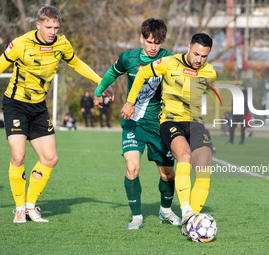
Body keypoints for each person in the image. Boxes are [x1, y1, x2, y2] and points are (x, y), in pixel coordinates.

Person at [0, 6, 102, 223]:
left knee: (50, 158)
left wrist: (101, 82)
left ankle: (30, 206)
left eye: (56, 27)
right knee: (18, 156)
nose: (52, 31)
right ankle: (19, 209)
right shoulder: (21, 44)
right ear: (38, 25)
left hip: (38, 107)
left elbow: (77, 63)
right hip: (15, 105)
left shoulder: (61, 44)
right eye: (48, 27)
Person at [121, 33, 216, 236]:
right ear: (188, 47)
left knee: (205, 169)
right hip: (170, 121)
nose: (199, 60)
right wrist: (130, 101)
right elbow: (142, 74)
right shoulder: (168, 62)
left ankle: (190, 224)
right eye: (196, 53)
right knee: (184, 156)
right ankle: (186, 211)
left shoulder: (210, 73)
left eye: (204, 56)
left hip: (196, 123)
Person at [93, 18, 181, 230]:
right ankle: (137, 217)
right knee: (132, 167)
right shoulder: (128, 58)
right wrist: (98, 91)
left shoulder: (168, 59)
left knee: (168, 174)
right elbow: (113, 72)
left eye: (157, 43)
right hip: (134, 122)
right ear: (141, 38)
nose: (153, 47)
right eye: (149, 42)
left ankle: (166, 210)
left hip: (160, 124)